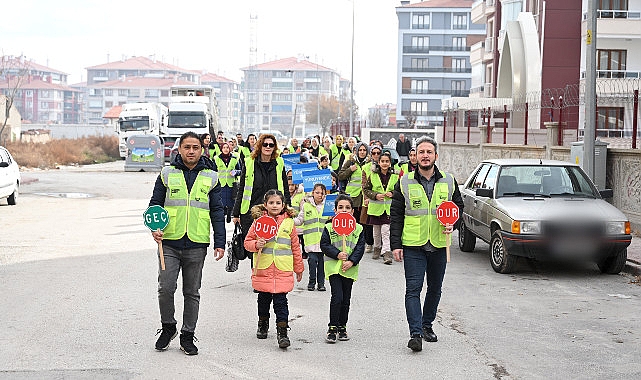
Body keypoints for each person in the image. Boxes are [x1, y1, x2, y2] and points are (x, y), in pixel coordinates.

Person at [149, 131, 226, 355]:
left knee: (192, 292)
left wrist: (220, 242)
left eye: (195, 147)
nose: (191, 151)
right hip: (169, 242)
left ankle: (187, 335)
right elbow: (155, 204)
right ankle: (168, 327)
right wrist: (155, 229)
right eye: (187, 147)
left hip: (197, 243)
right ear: (179, 149)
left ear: (201, 149)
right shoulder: (166, 174)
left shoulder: (211, 177)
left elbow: (217, 210)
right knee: (165, 288)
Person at [390, 136, 464, 352]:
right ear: (415, 156)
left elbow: (458, 207)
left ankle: (426, 325)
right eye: (421, 152)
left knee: (435, 289)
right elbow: (396, 215)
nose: (425, 156)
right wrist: (396, 244)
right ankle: (415, 334)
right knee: (413, 289)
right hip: (413, 245)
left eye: (428, 152)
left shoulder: (449, 181)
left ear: (435, 156)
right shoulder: (404, 182)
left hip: (440, 244)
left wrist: (455, 224)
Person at [244, 189, 304, 349]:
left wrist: (299, 267)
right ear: (265, 205)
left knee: (281, 301)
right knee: (263, 299)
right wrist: (256, 244)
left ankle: (282, 331)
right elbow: (247, 242)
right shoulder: (258, 221)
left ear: (283, 205)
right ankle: (263, 323)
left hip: (282, 268)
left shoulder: (289, 222)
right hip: (264, 267)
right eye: (271, 202)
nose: (275, 205)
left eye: (278, 203)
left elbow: (295, 246)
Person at [233, 134, 290, 260]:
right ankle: (256, 276)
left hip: (274, 211)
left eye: (271, 145)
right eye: (265, 144)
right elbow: (241, 189)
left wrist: (288, 209)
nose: (268, 147)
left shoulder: (279, 162)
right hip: (252, 213)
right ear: (260, 146)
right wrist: (236, 214)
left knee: (272, 247)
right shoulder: (249, 162)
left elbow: (285, 188)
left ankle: (269, 277)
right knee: (255, 248)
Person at [320, 194, 365, 343]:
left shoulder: (358, 228)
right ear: (335, 210)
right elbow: (324, 245)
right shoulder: (329, 227)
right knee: (337, 297)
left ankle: (342, 326)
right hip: (334, 268)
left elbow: (360, 247)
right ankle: (332, 327)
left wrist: (351, 261)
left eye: (347, 207)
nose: (344, 210)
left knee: (346, 299)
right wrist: (338, 254)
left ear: (352, 211)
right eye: (340, 207)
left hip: (349, 268)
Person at [363, 150, 398, 264]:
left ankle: (387, 252)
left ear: (390, 163)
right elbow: (366, 189)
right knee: (376, 231)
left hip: (388, 209)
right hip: (375, 208)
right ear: (379, 163)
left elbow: (399, 190)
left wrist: (392, 193)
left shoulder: (394, 176)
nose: (384, 163)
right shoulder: (373, 175)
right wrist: (375, 195)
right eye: (382, 161)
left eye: (387, 161)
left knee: (386, 231)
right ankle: (377, 248)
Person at [294, 183, 328, 291]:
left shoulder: (327, 206)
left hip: (323, 242)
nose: (319, 195)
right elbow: (299, 220)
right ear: (312, 193)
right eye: (317, 192)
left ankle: (321, 283)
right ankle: (312, 281)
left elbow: (331, 221)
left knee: (322, 264)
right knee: (312, 261)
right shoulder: (306, 205)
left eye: (322, 193)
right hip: (310, 241)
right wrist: (290, 220)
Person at [338, 142, 370, 225]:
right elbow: (340, 176)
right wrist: (350, 170)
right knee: (352, 221)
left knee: (363, 222)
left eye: (364, 150)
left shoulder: (370, 164)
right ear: (357, 151)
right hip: (352, 196)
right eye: (360, 150)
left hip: (365, 197)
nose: (362, 152)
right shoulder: (350, 162)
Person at [213, 141, 241, 223]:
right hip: (220, 183)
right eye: (224, 148)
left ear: (230, 149)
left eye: (227, 147)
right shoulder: (217, 159)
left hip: (231, 183)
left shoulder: (234, 159)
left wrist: (235, 172)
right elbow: (213, 171)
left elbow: (240, 170)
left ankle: (229, 214)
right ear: (221, 149)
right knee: (221, 201)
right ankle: (223, 213)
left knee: (230, 201)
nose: (225, 149)